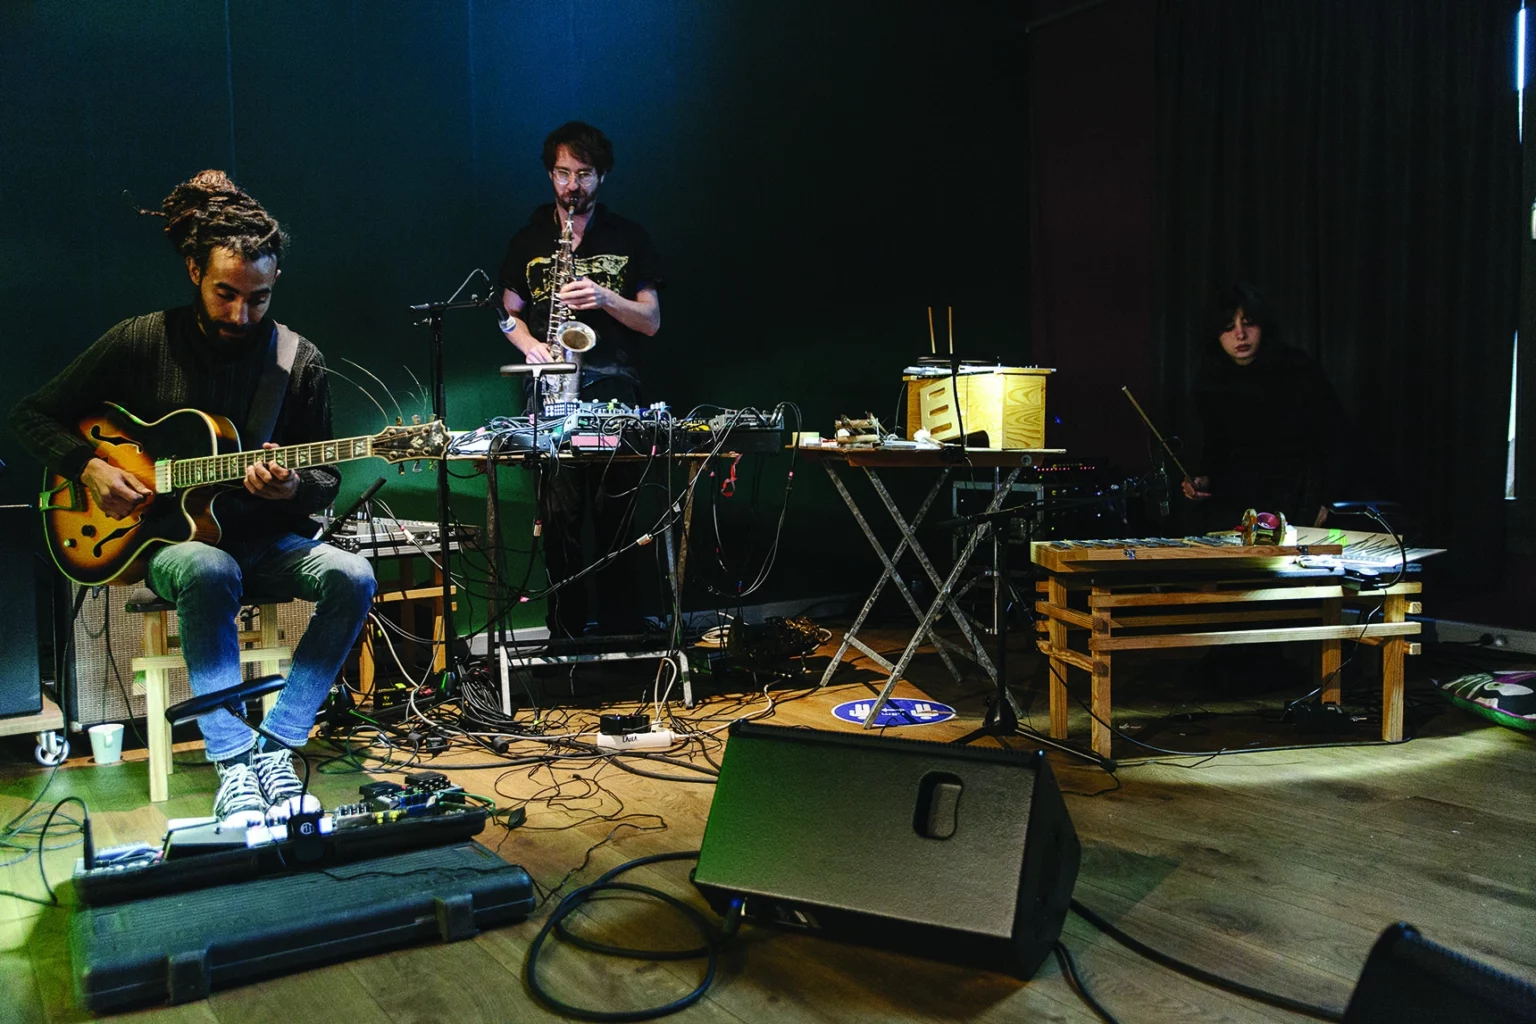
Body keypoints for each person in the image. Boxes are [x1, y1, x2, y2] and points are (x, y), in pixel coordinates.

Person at [10, 171, 376, 823]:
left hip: (269, 542)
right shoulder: (141, 340)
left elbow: (325, 479)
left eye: (258, 299)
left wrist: (293, 487)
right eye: (225, 294)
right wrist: (89, 465)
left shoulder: (299, 361)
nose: (241, 314)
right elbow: (31, 415)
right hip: (173, 545)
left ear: (276, 282)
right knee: (211, 566)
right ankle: (233, 763)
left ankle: (278, 747)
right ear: (192, 271)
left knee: (354, 575)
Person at [497, 122, 663, 640]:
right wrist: (530, 345)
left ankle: (622, 631)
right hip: (550, 390)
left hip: (613, 388)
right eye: (564, 174)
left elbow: (652, 320)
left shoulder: (628, 236)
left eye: (584, 175)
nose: (573, 186)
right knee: (560, 521)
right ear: (551, 174)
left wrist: (606, 298)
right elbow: (506, 314)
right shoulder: (528, 238)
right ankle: (563, 635)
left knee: (617, 517)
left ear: (602, 176)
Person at [1180, 283, 1349, 532]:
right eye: (1228, 327)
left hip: (1298, 496)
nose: (1240, 334)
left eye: (1248, 323)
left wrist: (1326, 500)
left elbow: (1334, 440)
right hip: (1237, 503)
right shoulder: (1209, 381)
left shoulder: (1298, 369)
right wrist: (1200, 480)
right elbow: (1215, 450)